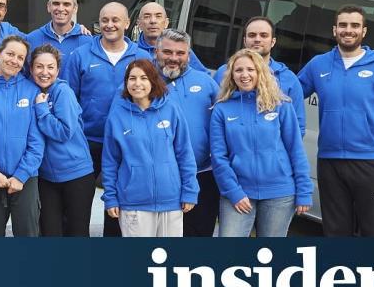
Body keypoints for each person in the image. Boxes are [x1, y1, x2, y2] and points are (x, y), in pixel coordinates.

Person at [298, 5, 374, 237]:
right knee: (335, 232)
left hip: (371, 163)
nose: (348, 30)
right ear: (334, 30)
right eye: (343, 25)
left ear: (363, 31)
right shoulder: (318, 64)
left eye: (355, 25)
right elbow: (290, 92)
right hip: (330, 162)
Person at [62, 1, 151, 236]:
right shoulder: (81, 55)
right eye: (104, 20)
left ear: (127, 23)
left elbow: (151, 100)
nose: (109, 25)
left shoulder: (142, 57)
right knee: (78, 205)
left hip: (126, 141)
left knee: (117, 204)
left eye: (115, 20)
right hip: (86, 141)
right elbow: (68, 99)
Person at [211, 50, 312, 238]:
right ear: (231, 75)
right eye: (238, 70)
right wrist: (233, 192)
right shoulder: (221, 109)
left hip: (280, 193)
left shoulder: (281, 105)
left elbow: (296, 150)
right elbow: (219, 157)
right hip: (239, 191)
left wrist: (304, 190)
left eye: (251, 69)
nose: (244, 75)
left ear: (261, 72)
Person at [102, 59, 198, 238]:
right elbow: (110, 162)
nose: (137, 83)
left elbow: (185, 153)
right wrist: (111, 197)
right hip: (133, 202)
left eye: (143, 78)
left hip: (171, 200)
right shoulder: (117, 116)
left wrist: (190, 190)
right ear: (126, 83)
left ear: (153, 81)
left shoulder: (171, 109)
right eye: (132, 78)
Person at [0, 36, 44, 237]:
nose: (14, 60)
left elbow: (37, 141)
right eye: (10, 54)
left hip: (25, 179)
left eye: (20, 57)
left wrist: (21, 175)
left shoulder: (31, 90)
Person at [155, 29, 220, 237]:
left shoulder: (207, 83)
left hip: (201, 175)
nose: (174, 58)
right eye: (167, 52)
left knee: (197, 239)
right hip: (156, 177)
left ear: (189, 56)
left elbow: (225, 123)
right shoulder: (142, 81)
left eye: (180, 53)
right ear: (156, 52)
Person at [29, 45, 95, 237]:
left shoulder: (62, 92)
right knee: (49, 232)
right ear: (31, 69)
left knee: (76, 233)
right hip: (46, 177)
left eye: (50, 67)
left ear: (58, 70)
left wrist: (42, 109)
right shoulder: (31, 91)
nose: (45, 72)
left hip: (76, 174)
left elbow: (64, 131)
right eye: (39, 66)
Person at [212, 17, 306, 139]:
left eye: (263, 35)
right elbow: (214, 115)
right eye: (252, 35)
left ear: (273, 41)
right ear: (245, 40)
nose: (257, 39)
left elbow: (297, 127)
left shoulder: (289, 79)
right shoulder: (224, 72)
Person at [134, 2, 203, 70]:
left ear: (166, 23)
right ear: (139, 23)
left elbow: (202, 75)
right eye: (147, 17)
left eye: (158, 16)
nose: (153, 21)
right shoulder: (132, 51)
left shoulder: (180, 49)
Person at [25, 0, 92, 55]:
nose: (60, 9)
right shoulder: (32, 39)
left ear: (75, 8)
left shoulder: (87, 41)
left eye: (66, 4)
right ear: (48, 7)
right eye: (56, 3)